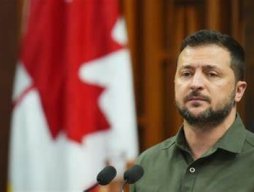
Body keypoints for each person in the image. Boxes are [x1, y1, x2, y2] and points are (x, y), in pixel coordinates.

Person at [130, 30, 254, 192]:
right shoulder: (147, 164)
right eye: (186, 74)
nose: (195, 84)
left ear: (239, 91)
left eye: (211, 74)